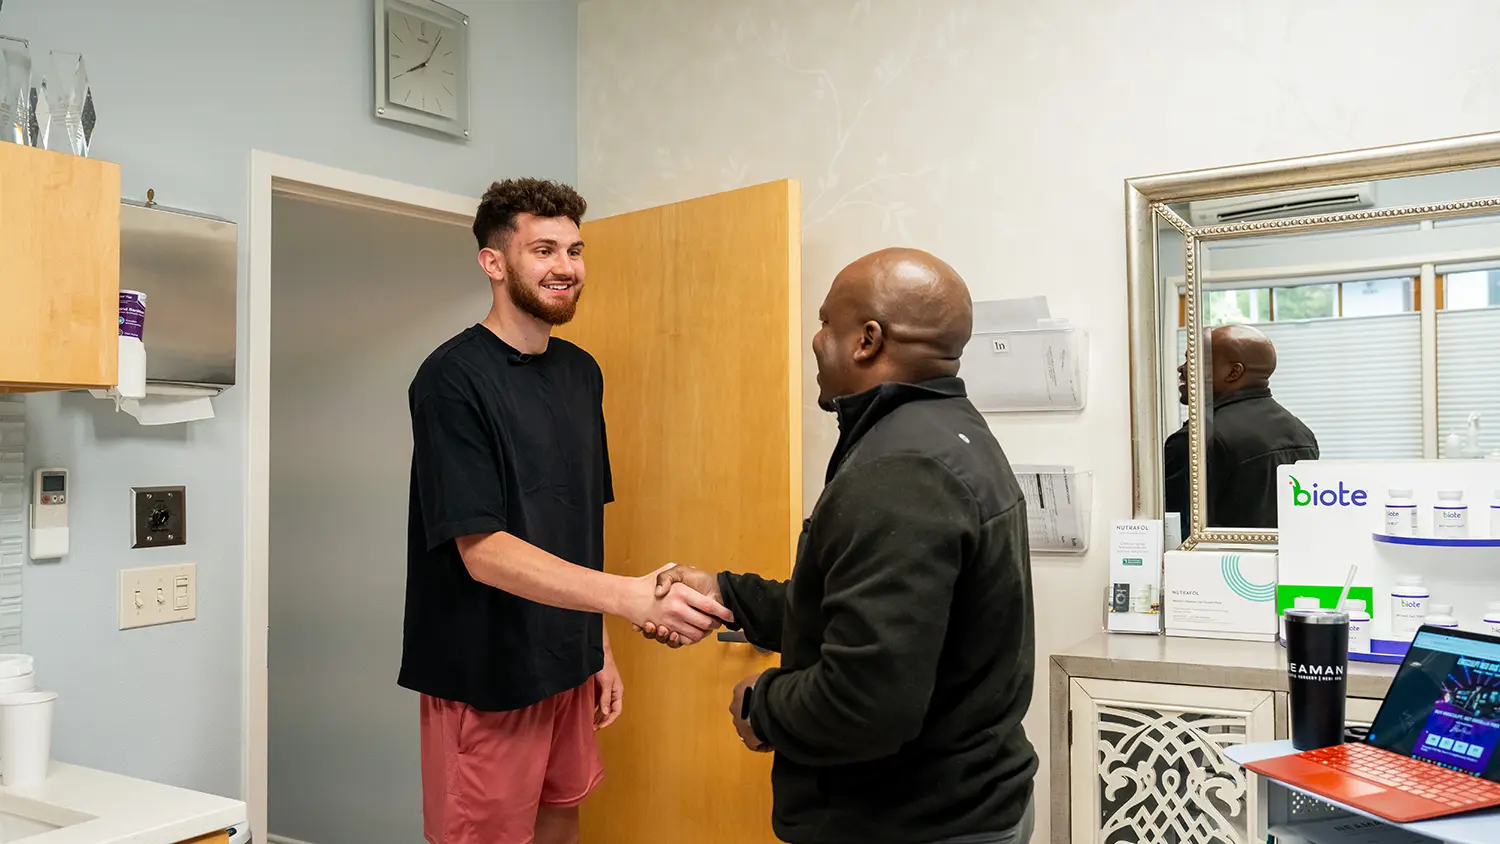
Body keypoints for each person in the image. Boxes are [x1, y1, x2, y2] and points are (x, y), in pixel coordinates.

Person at [641, 248, 1037, 844]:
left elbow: (865, 702)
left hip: (913, 824)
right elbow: (868, 612)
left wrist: (762, 706)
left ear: (867, 340)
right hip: (965, 805)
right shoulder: (947, 430)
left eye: (827, 322)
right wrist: (727, 594)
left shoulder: (901, 471)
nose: (816, 340)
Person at [398, 178, 732, 844]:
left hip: (564, 663)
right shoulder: (451, 379)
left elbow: (577, 522)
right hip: (485, 674)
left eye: (574, 251)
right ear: (494, 262)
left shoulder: (581, 372)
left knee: (561, 827)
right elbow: (483, 550)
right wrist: (629, 600)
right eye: (543, 249)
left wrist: (596, 643)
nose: (565, 268)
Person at [1164, 323, 1319, 536]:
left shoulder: (1195, 441)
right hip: (1284, 565)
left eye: (1195, 360)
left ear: (1234, 372)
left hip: (1216, 567)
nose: (1182, 368)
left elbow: (1176, 537)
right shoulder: (1302, 433)